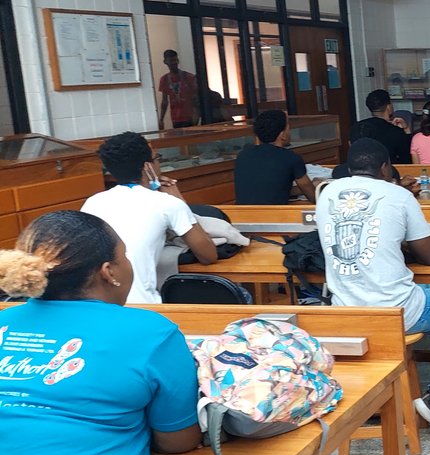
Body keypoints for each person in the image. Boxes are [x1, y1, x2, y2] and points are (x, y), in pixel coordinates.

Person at [0, 210, 263, 455]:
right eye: (123, 256)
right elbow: (177, 443)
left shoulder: (6, 321)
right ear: (109, 272)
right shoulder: (150, 333)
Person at [316, 139, 430, 434]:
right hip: (397, 310)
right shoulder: (398, 195)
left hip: (345, 313)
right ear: (385, 168)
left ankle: (368, 398)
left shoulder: (327, 193)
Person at [81, 131, 217, 303]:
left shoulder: (92, 203)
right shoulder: (168, 203)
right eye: (157, 158)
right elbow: (208, 255)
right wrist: (179, 200)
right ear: (148, 167)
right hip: (144, 305)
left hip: (98, 305)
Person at [233, 109, 317, 205]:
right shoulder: (290, 158)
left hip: (241, 217)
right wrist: (317, 186)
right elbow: (313, 196)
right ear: (283, 135)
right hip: (275, 217)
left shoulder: (243, 156)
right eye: (288, 128)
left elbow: (268, 190)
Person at [350, 89, 411, 164]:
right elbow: (407, 159)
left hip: (358, 170)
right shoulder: (396, 131)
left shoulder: (357, 127)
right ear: (389, 107)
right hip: (389, 173)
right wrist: (406, 130)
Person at [157, 49, 201, 129]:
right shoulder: (164, 79)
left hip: (190, 117)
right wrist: (161, 119)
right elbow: (164, 101)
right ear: (165, 62)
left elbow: (196, 98)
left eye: (175, 60)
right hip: (175, 118)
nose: (174, 63)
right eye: (171, 60)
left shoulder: (189, 77)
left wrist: (196, 116)